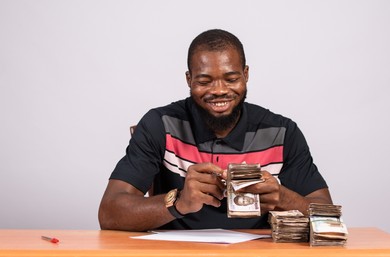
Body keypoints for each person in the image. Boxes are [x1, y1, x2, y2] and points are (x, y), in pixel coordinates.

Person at [98, 29, 333, 232]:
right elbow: (109, 213)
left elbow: (329, 218)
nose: (219, 90)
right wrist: (178, 202)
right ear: (189, 79)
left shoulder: (282, 132)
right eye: (204, 81)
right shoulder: (160, 125)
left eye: (231, 78)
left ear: (246, 75)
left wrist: (283, 198)